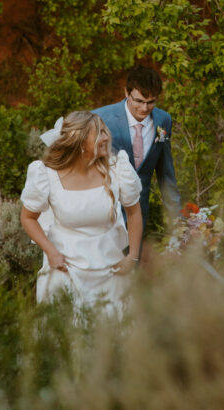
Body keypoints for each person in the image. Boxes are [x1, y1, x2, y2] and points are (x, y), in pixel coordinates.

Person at [20, 111, 142, 316]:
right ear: (79, 141)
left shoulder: (116, 169)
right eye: (99, 133)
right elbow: (28, 218)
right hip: (66, 268)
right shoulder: (46, 175)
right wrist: (51, 252)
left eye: (105, 131)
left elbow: (134, 212)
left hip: (111, 267)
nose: (106, 137)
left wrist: (133, 256)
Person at [92, 65, 180, 232]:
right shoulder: (99, 118)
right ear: (127, 93)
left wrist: (178, 220)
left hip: (138, 215)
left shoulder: (163, 121)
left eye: (151, 102)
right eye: (139, 101)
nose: (144, 108)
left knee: (133, 258)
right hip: (101, 214)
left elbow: (166, 173)